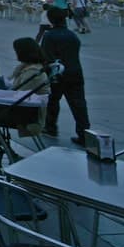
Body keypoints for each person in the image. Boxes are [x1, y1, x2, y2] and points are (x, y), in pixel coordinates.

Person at [39, 9, 90, 145]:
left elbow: (46, 57)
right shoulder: (72, 35)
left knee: (53, 101)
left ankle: (51, 127)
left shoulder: (49, 36)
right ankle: (84, 133)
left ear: (51, 19)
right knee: (79, 104)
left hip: (58, 74)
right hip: (75, 72)